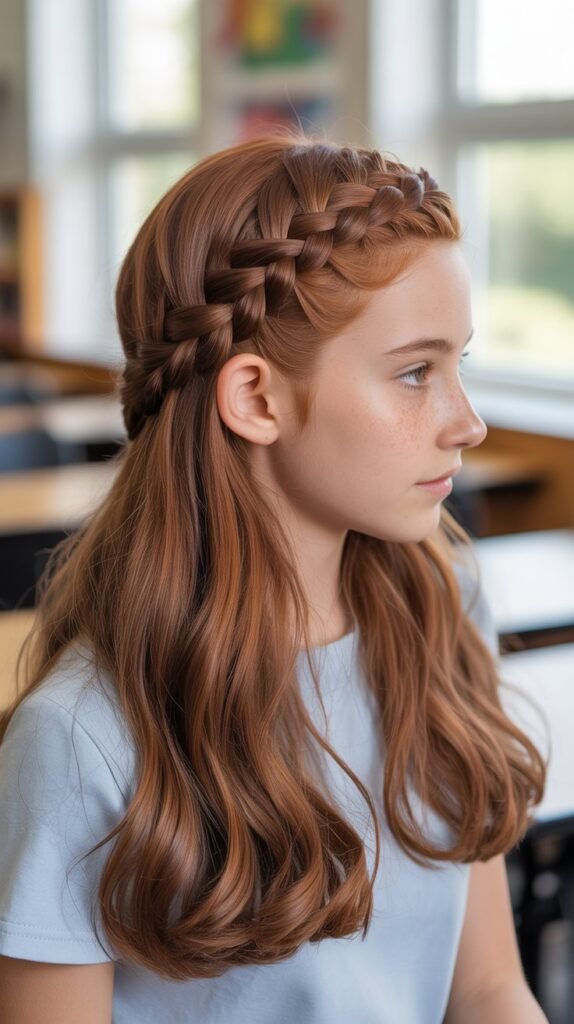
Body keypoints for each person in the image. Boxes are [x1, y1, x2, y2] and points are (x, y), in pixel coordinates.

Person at [0, 132, 549, 1023]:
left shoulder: (444, 608)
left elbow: (487, 988)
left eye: (462, 364)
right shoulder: (81, 738)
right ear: (255, 397)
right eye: (416, 373)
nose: (469, 422)